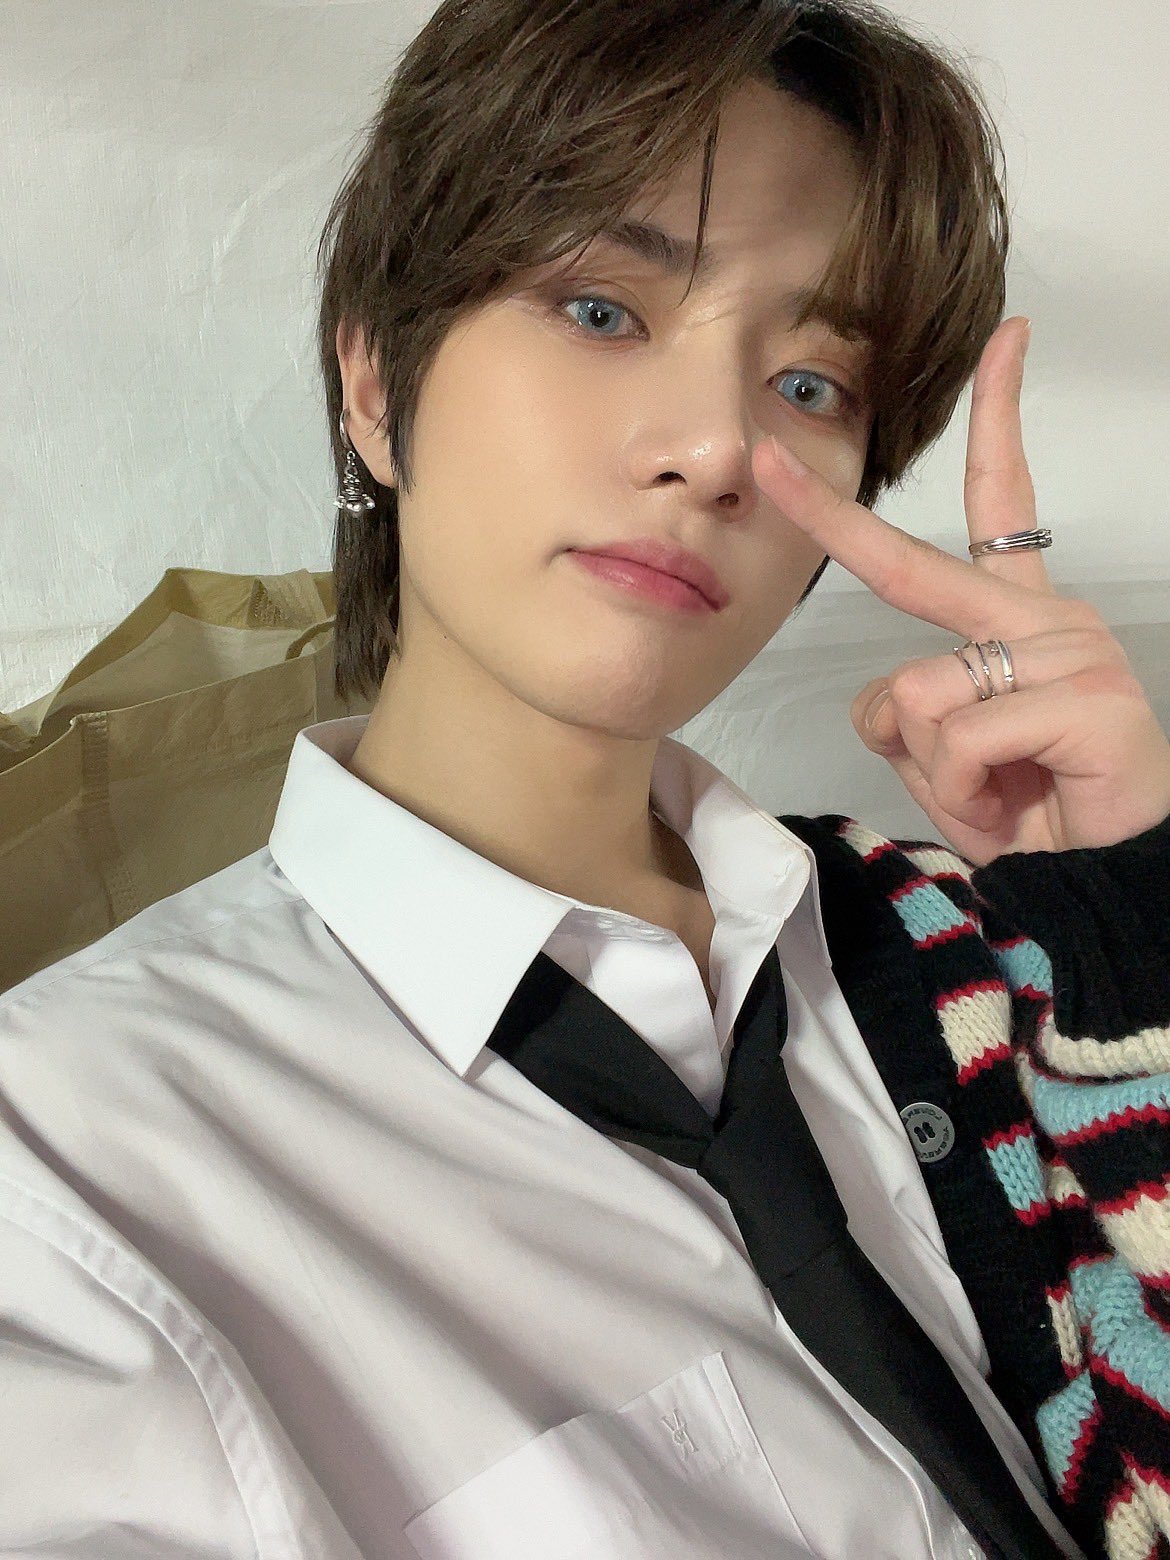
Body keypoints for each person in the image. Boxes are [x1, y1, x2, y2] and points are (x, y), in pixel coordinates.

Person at [2, 0, 1169, 1556]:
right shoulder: (65, 1172)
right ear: (376, 383)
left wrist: (1126, 917)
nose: (713, 448)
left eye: (809, 386)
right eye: (600, 308)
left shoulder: (943, 942)